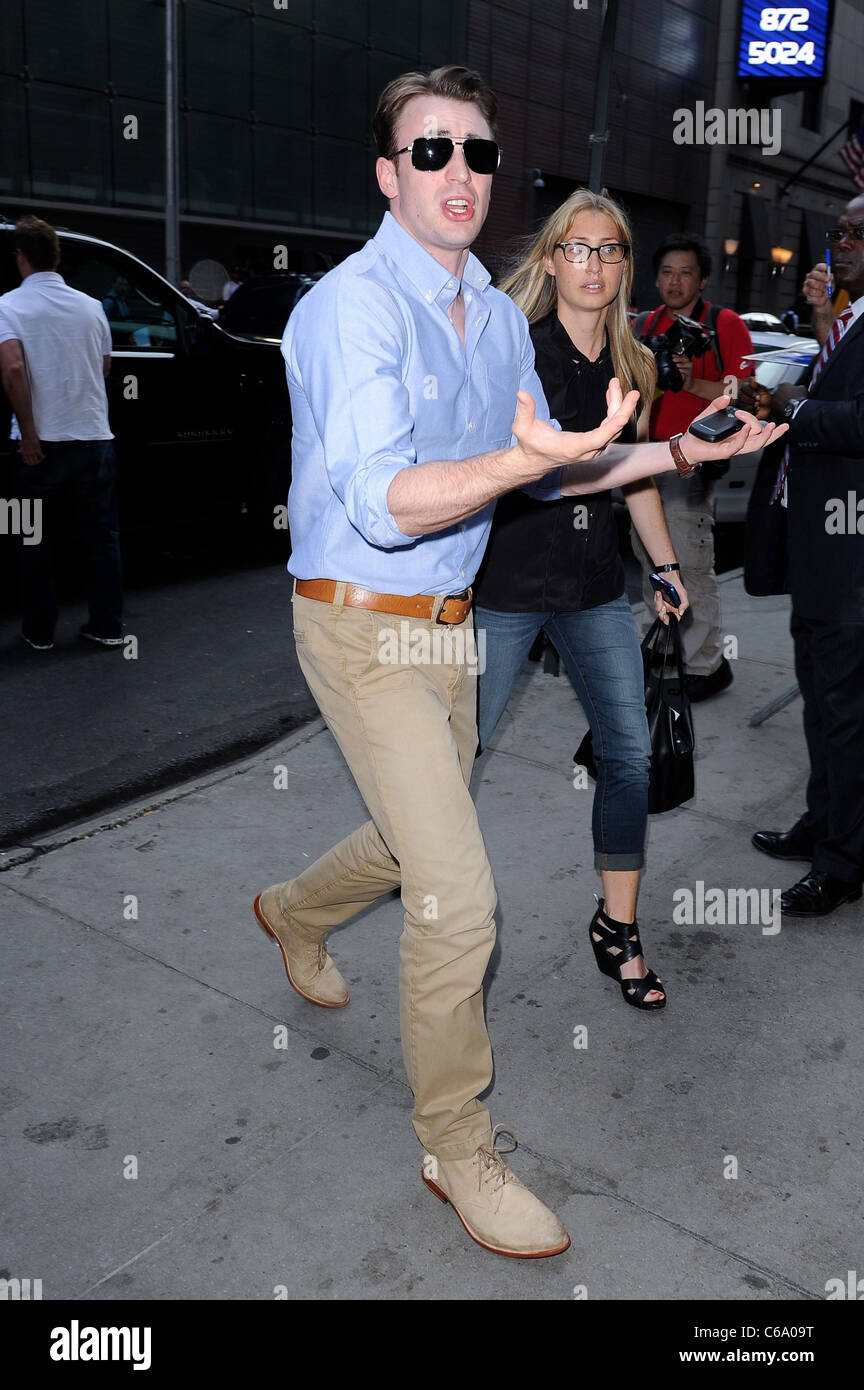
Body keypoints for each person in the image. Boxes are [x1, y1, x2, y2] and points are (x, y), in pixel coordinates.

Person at [253, 65, 783, 1260]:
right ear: (389, 175)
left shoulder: (494, 319)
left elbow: (554, 469)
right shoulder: (350, 311)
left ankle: (291, 910)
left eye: (478, 154)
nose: (459, 174)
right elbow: (391, 505)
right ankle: (458, 1145)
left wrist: (678, 455)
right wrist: (528, 460)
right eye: (430, 152)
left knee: (405, 839)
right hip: (361, 617)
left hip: (447, 624)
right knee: (459, 899)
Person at [475, 188, 688, 1012]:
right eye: (578, 247)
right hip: (509, 585)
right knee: (456, 759)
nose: (593, 264)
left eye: (610, 250)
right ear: (552, 259)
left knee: (628, 756)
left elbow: (636, 484)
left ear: (624, 266)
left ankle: (618, 928)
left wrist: (664, 570)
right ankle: (404, 896)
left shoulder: (635, 362)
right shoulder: (514, 352)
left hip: (596, 587)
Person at [740, 194, 864, 918]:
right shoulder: (845, 321)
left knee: (845, 713)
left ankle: (843, 863)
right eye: (838, 232)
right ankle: (826, 822)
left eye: (857, 234)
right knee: (822, 707)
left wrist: (791, 408)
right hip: (818, 550)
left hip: (851, 566)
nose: (840, 244)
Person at [632, 234, 755, 701]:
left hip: (694, 460)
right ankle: (664, 650)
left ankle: (705, 664)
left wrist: (691, 381)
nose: (674, 281)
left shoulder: (722, 324)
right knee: (651, 558)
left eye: (685, 273)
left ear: (702, 280)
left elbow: (745, 396)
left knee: (689, 559)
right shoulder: (646, 323)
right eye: (666, 272)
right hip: (645, 456)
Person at [0, 216, 123, 650]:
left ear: (20, 257)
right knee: (102, 536)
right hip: (94, 438)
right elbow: (104, 367)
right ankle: (108, 627)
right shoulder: (92, 306)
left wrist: (29, 435)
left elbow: (13, 367)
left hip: (38, 447)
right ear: (56, 257)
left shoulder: (8, 306)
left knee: (29, 533)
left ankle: (38, 631)